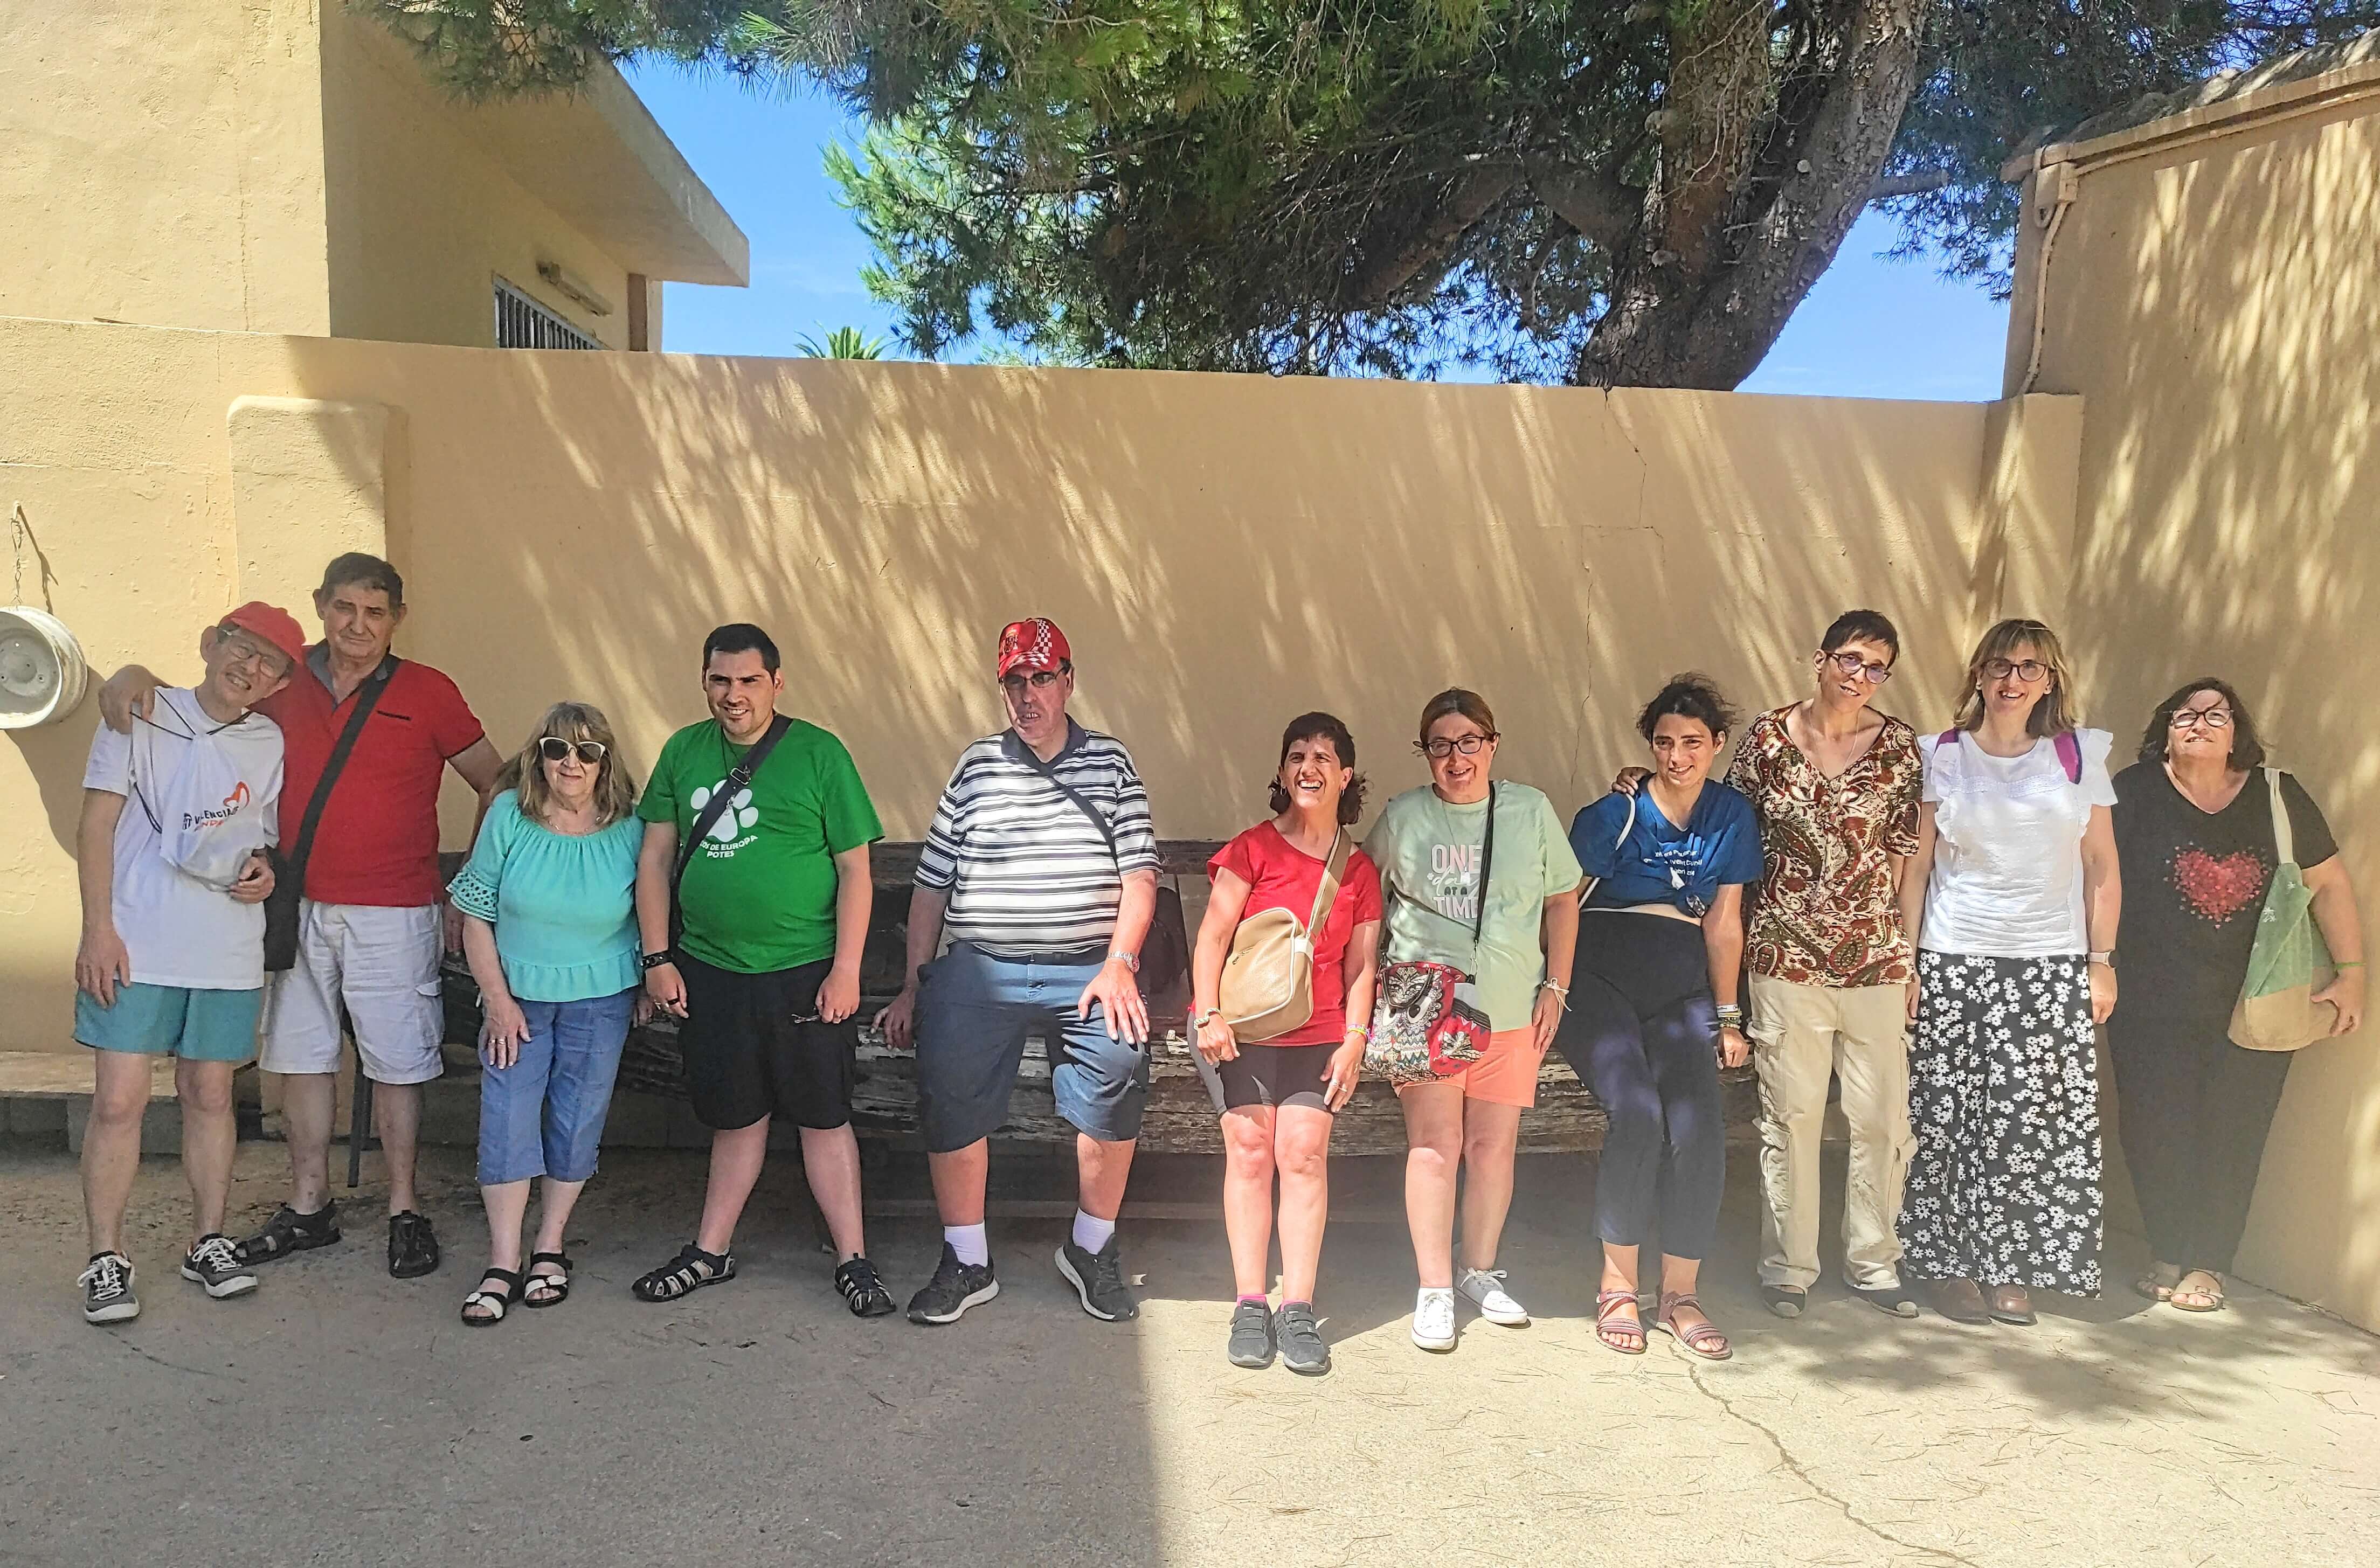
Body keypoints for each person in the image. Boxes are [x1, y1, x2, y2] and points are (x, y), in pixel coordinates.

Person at [100, 554, 504, 1280]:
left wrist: (469, 886)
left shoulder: (429, 691)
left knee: (398, 1062)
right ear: (322, 605)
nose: (357, 624)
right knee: (301, 1059)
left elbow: (495, 782)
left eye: (374, 612)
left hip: (398, 905)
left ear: (396, 619)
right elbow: (187, 708)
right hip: (296, 905)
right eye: (344, 607)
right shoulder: (279, 681)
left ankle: (405, 1208)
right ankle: (309, 1203)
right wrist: (128, 674)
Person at [881, 618, 1160, 1326]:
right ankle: (967, 1258)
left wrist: (1121, 964)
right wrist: (916, 980)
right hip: (983, 967)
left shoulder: (1111, 764)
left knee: (1120, 1057)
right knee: (944, 1067)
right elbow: (931, 885)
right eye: (1015, 681)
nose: (1028, 694)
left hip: (1086, 970)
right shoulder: (976, 767)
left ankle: (1090, 1247)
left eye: (1042, 678)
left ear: (1068, 681)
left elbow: (1140, 874)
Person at [629, 625, 893, 1315]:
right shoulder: (684, 751)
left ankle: (853, 1260)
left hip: (804, 971)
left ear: (777, 683)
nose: (733, 695)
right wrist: (657, 957)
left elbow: (854, 869)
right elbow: (654, 859)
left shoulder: (818, 754)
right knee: (736, 1117)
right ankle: (710, 1251)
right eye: (720, 680)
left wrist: (846, 969)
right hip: (711, 969)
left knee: (823, 1117)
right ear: (704, 682)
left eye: (749, 681)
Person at [73, 603, 305, 1323]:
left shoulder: (268, 739)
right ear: (212, 643)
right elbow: (97, 824)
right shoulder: (138, 711)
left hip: (225, 944)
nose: (251, 667)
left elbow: (256, 835)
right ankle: (105, 1258)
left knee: (211, 1093)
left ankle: (208, 1239)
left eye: (271, 663)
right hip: (137, 938)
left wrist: (264, 871)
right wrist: (97, 930)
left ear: (278, 684)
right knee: (119, 1099)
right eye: (243, 647)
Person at [2110, 679, 2366, 1313]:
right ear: (2164, 730)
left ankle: (2208, 1263)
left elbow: (2328, 884)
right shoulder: (2132, 793)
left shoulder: (2277, 795)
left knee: (2235, 1134)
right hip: (2147, 999)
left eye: (2216, 713)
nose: (2200, 722)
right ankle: (2166, 1250)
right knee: (2152, 1128)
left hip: (2258, 1001)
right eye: (2185, 713)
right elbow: (2090, 876)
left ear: (2238, 732)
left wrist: (2353, 971)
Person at [1897, 618, 2120, 1326]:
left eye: (2028, 667)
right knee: (1947, 1118)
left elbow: (2102, 868)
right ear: (1979, 674)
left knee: (2028, 1123)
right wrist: (1906, 960)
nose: (2012, 679)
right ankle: (1945, 1263)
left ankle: (2010, 1265)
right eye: (1999, 665)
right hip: (1955, 953)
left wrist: (2101, 964)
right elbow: (1917, 867)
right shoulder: (1941, 753)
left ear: (2049, 679)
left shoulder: (2079, 756)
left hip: (2048, 961)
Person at [1364, 689, 1582, 1352]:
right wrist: (1371, 986)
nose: (1455, 758)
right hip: (1425, 1007)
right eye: (1440, 745)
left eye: (1468, 742)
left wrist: (1557, 986)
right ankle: (1433, 1288)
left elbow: (1563, 899)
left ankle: (1478, 1272)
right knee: (1436, 1147)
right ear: (1425, 753)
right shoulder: (1403, 816)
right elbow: (1365, 901)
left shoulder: (1530, 810)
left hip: (1512, 1004)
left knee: (1493, 1148)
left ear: (1491, 744)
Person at [1724, 613, 1926, 1319]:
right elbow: (1730, 838)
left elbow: (1906, 859)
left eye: (1877, 666)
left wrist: (1909, 954)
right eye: (1851, 659)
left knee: (1879, 1118)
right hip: (1784, 954)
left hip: (1875, 959)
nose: (1860, 676)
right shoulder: (1768, 741)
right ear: (1820, 659)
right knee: (1794, 1114)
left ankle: (1874, 1262)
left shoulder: (1899, 747)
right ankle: (1789, 1266)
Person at [1561, 674, 1761, 1359]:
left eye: (1693, 744)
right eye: (1666, 743)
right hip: (1602, 968)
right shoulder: (1616, 811)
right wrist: (1550, 988)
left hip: (1683, 980)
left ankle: (1680, 1293)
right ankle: (1618, 1285)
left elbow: (1726, 923)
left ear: (1717, 746)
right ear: (1650, 745)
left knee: (1699, 1124)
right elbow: (1560, 901)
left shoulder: (1731, 815)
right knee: (1638, 1113)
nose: (1678, 756)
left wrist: (1730, 1016)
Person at [1189, 713, 1383, 1374]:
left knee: (1302, 1153)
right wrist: (1209, 1013)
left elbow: (1362, 967)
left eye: (1324, 756)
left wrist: (1357, 1037)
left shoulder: (1357, 871)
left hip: (1320, 1030)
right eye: (1297, 755)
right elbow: (1213, 936)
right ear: (1281, 771)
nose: (1309, 767)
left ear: (1345, 775)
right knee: (1249, 1151)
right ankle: (1250, 1302)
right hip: (1237, 1026)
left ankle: (1297, 1307)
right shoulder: (1252, 849)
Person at [448, 704, 646, 1325]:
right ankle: (502, 1261)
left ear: (605, 762)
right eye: (558, 748)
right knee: (507, 1117)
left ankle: (550, 1245)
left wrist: (644, 980)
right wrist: (498, 1001)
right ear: (539, 755)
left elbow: (650, 910)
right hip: (519, 997)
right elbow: (475, 912)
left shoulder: (630, 828)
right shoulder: (510, 815)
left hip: (602, 995)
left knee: (577, 1118)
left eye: (587, 752)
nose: (571, 762)